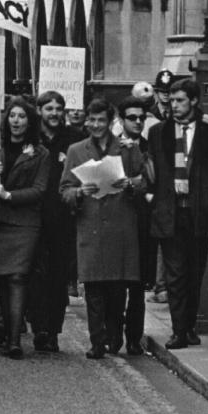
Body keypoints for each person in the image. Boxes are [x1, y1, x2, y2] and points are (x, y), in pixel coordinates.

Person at [147, 78, 208, 350]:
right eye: (171, 101)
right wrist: (155, 198)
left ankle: (190, 326)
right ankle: (178, 330)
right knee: (175, 274)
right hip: (170, 211)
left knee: (195, 273)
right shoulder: (159, 131)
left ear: (194, 101)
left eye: (180, 100)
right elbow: (153, 170)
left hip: (198, 213)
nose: (174, 105)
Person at [61, 98, 147, 359]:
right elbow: (64, 189)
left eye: (101, 120)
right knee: (94, 289)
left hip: (120, 227)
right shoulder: (76, 150)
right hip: (91, 225)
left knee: (117, 288)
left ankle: (114, 335)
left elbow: (144, 182)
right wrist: (78, 191)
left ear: (111, 122)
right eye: (92, 120)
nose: (96, 125)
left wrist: (130, 184)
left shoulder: (126, 148)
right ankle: (97, 342)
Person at [0, 96, 50, 359]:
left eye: (21, 117)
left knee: (17, 278)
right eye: (12, 116)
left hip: (23, 224)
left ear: (30, 121)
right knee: (1, 281)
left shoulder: (41, 153)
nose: (16, 121)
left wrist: (9, 196)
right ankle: (6, 333)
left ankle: (15, 340)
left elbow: (39, 190)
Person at [29, 90, 85, 353]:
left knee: (57, 275)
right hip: (32, 214)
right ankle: (38, 325)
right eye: (48, 108)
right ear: (39, 111)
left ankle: (52, 330)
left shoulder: (74, 138)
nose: (54, 113)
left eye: (58, 109)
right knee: (34, 273)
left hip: (63, 217)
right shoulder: (31, 138)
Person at [116, 95, 155, 355]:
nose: (138, 122)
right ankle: (113, 335)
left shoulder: (152, 147)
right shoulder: (112, 147)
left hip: (143, 222)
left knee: (138, 286)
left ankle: (134, 337)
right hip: (118, 221)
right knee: (117, 284)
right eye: (132, 117)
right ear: (121, 120)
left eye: (142, 118)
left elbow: (154, 179)